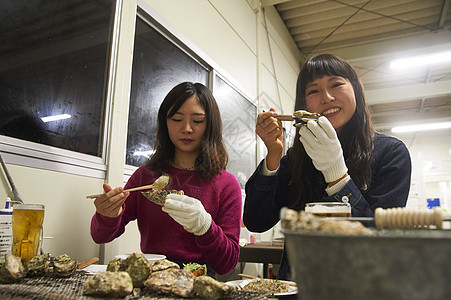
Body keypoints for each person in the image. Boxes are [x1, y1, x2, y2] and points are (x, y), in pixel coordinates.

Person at [243, 54, 412, 280]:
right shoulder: (296, 158)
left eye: (336, 84)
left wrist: (338, 176)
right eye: (313, 91)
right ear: (304, 104)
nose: (327, 97)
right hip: (298, 284)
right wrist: (273, 155)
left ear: (356, 90)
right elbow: (256, 221)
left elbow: (382, 242)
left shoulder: (391, 153)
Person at [90, 82, 242, 276]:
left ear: (210, 124)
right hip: (151, 279)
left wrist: (205, 226)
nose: (186, 128)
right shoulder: (146, 176)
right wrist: (107, 215)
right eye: (177, 119)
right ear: (165, 122)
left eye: (197, 121)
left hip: (200, 283)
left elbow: (227, 264)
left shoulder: (226, 184)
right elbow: (100, 236)